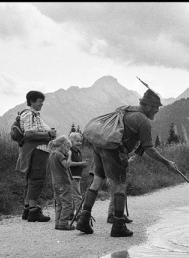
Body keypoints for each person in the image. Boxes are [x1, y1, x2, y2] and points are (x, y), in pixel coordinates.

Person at [76, 88, 178, 237]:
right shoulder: (143, 121)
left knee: (97, 181)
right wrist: (167, 162)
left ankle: (83, 219)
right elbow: (149, 149)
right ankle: (118, 225)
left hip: (100, 145)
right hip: (114, 150)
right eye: (156, 108)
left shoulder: (127, 110)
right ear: (148, 106)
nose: (157, 111)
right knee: (120, 185)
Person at [16, 91, 57, 222]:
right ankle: (33, 211)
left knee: (30, 179)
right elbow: (29, 133)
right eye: (40, 101)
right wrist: (49, 134)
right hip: (37, 150)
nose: (42, 104)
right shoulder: (29, 114)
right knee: (37, 179)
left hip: (35, 150)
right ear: (32, 101)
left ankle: (27, 209)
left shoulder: (32, 114)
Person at [48, 135, 76, 230]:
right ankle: (63, 223)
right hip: (63, 182)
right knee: (67, 203)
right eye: (68, 147)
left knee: (59, 203)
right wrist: (70, 155)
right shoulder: (59, 154)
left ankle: (58, 223)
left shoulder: (51, 154)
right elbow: (67, 165)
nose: (68, 149)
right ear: (63, 145)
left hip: (55, 182)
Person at [68, 132, 87, 218]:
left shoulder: (78, 152)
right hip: (72, 176)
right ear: (71, 142)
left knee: (73, 195)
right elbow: (69, 163)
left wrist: (82, 165)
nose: (79, 143)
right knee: (77, 195)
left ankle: (70, 214)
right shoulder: (69, 151)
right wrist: (80, 163)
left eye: (80, 141)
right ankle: (80, 214)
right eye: (77, 141)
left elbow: (78, 163)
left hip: (77, 176)